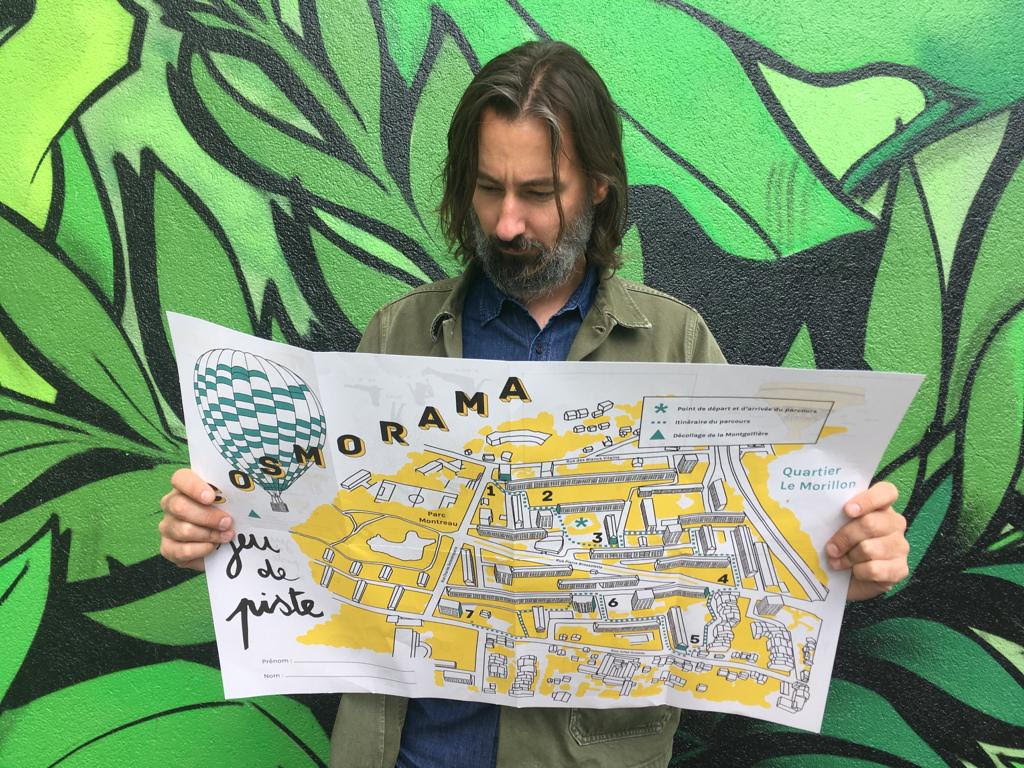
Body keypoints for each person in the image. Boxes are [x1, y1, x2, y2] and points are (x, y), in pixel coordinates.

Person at [159, 41, 910, 768]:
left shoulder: (676, 346)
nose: (507, 223)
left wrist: (846, 564)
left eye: (539, 193)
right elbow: (314, 531)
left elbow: (744, 549)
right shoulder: (397, 336)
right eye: (489, 188)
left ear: (598, 187)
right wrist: (220, 529)